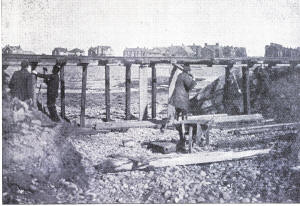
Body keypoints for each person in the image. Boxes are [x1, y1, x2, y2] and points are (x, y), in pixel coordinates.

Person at [169, 63, 197, 151]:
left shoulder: (180, 75)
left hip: (176, 99)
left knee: (177, 118)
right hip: (182, 100)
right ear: (188, 71)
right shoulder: (185, 76)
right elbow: (191, 86)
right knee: (184, 119)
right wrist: (194, 78)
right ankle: (184, 137)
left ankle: (181, 136)